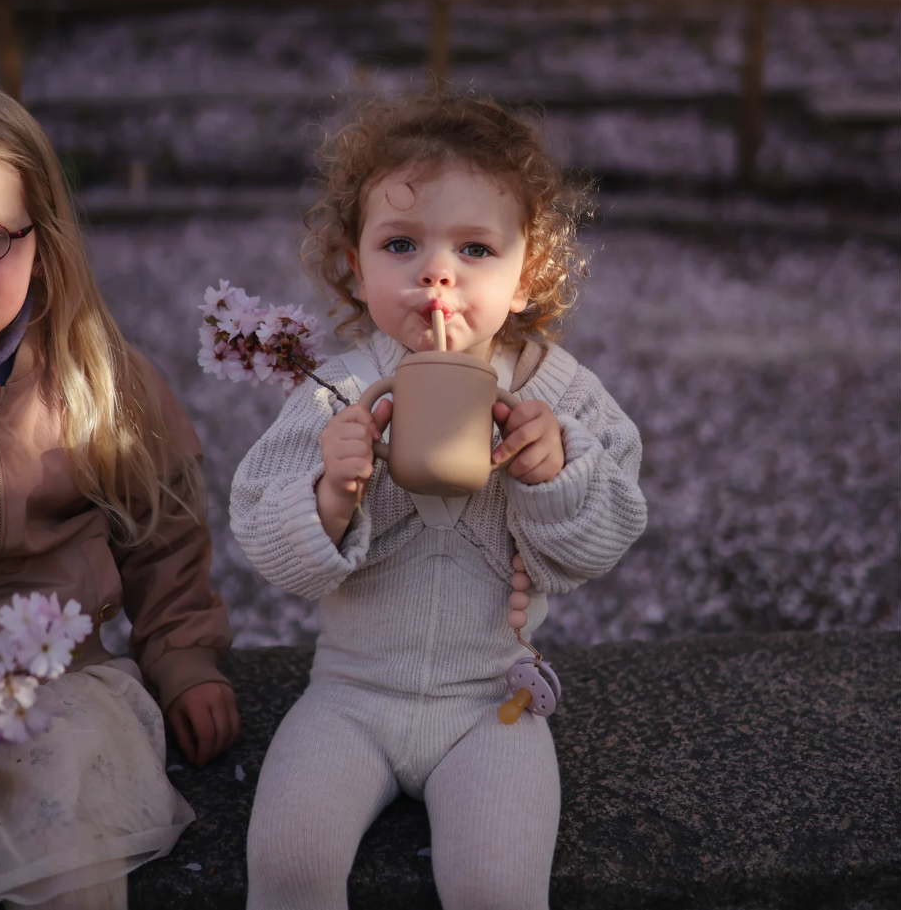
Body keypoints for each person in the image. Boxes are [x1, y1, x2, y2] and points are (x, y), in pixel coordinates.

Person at [230, 91, 647, 910]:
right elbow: (258, 529)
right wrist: (328, 493)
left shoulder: (561, 399)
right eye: (400, 243)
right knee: (287, 859)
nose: (437, 272)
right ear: (353, 262)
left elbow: (609, 532)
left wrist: (556, 470)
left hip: (492, 700)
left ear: (528, 274)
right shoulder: (336, 393)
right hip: (349, 693)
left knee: (496, 885)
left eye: (475, 248)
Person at [0, 80, 240, 910]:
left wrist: (184, 654)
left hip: (65, 680)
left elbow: (161, 531)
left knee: (65, 834)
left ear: (42, 246)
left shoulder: (97, 380)